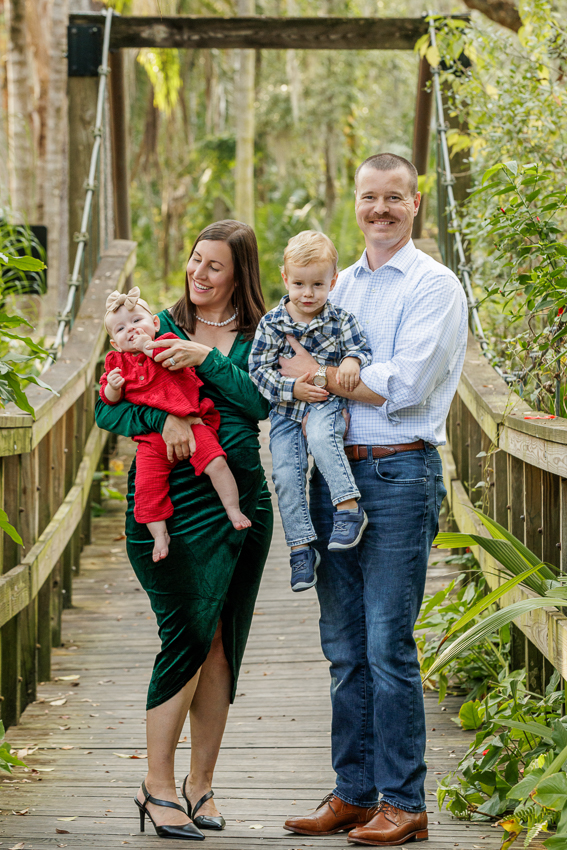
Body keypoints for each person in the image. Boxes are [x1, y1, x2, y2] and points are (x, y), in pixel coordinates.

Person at [280, 154, 468, 846]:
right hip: (334, 482)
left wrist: (321, 376)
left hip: (396, 475)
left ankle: (404, 801)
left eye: (393, 197)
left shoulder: (434, 285)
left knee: (388, 644)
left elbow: (407, 384)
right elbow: (289, 365)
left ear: (414, 203)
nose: (380, 209)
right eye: (368, 197)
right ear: (354, 203)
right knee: (343, 647)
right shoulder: (339, 285)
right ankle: (354, 792)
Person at [95, 220, 273, 841]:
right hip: (170, 502)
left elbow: (262, 403)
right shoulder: (153, 322)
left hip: (240, 497)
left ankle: (200, 785)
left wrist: (208, 361)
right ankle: (157, 786)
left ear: (238, 274)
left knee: (223, 638)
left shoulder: (261, 332)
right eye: (195, 261)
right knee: (188, 632)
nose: (199, 274)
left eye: (214, 267)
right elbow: (106, 404)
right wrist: (163, 417)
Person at [249, 231, 372, 592]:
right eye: (299, 283)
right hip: (286, 411)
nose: (308, 293)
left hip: (324, 403)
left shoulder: (340, 319)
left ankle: (348, 508)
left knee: (322, 437)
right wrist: (292, 388)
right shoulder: (272, 323)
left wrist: (351, 360)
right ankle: (301, 548)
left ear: (333, 281)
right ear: (285, 278)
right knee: (286, 474)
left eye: (318, 284)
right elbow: (258, 370)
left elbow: (360, 348)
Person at [100, 286, 251, 563]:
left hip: (193, 422)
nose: (131, 330)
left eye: (137, 321)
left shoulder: (168, 343)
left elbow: (173, 364)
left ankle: (233, 509)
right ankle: (160, 534)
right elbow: (107, 403)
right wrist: (112, 387)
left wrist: (149, 348)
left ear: (155, 323)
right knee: (146, 486)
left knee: (216, 462)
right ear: (115, 344)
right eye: (121, 329)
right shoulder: (117, 365)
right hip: (151, 439)